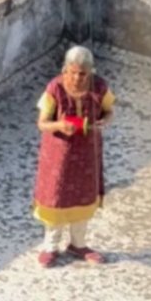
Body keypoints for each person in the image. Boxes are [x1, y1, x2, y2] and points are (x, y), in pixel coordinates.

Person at [33, 45, 115, 268]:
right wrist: (60, 124)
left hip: (88, 152)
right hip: (59, 153)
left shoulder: (99, 87)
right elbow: (42, 123)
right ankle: (50, 246)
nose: (78, 78)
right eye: (74, 72)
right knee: (56, 196)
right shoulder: (55, 89)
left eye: (83, 73)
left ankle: (78, 243)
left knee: (83, 195)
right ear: (65, 70)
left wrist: (104, 122)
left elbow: (109, 110)